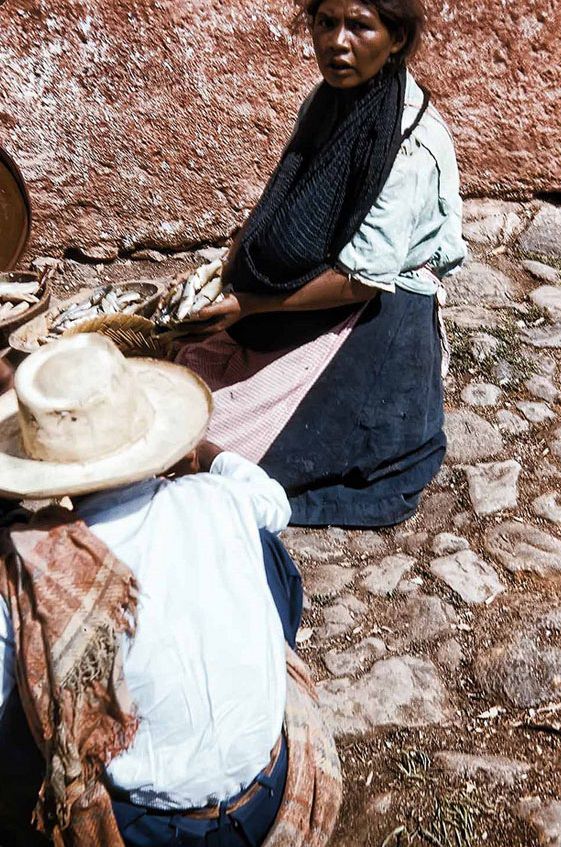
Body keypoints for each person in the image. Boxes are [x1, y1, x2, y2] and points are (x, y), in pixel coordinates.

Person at [0, 333, 341, 847]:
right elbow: (272, 501)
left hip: (149, 828)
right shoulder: (217, 497)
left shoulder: (38, 572)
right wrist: (204, 452)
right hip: (269, 792)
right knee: (267, 550)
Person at [177, 0, 467, 529]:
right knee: (176, 384)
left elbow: (361, 281)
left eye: (359, 26)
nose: (337, 42)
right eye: (325, 22)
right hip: (317, 286)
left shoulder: (405, 147)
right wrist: (240, 258)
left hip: (376, 311)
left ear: (395, 39)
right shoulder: (329, 98)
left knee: (212, 444)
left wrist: (248, 304)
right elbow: (289, 186)